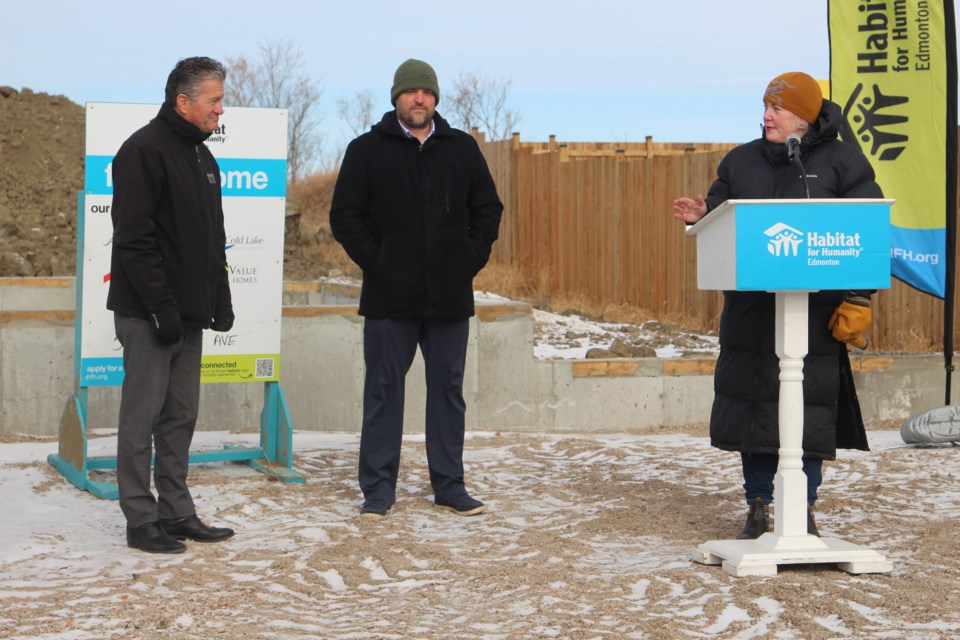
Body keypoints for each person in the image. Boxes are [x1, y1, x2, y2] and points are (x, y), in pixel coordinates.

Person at [673, 71, 880, 539]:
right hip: (752, 313)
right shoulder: (740, 161)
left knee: (810, 408)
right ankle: (759, 502)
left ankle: (803, 506)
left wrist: (857, 297)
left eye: (777, 109)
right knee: (755, 409)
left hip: (816, 312)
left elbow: (865, 231)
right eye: (765, 106)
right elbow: (722, 215)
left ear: (804, 119)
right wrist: (704, 215)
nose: (766, 116)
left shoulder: (844, 162)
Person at [330, 59, 504, 519]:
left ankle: (449, 484)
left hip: (448, 296)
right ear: (396, 98)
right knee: (384, 391)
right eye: (410, 92)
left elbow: (488, 210)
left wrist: (467, 259)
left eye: (426, 93)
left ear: (435, 99)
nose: (419, 99)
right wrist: (380, 261)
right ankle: (378, 489)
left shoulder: (461, 149)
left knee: (447, 390)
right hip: (390, 298)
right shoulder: (366, 150)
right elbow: (345, 216)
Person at [107, 56, 236, 553]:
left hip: (188, 314)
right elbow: (134, 239)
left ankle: (177, 511)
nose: (220, 110)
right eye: (214, 100)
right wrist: (159, 306)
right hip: (147, 313)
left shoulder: (204, 157)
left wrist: (219, 298)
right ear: (183, 101)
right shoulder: (142, 150)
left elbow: (211, 240)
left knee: (181, 415)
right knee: (141, 417)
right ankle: (140, 520)